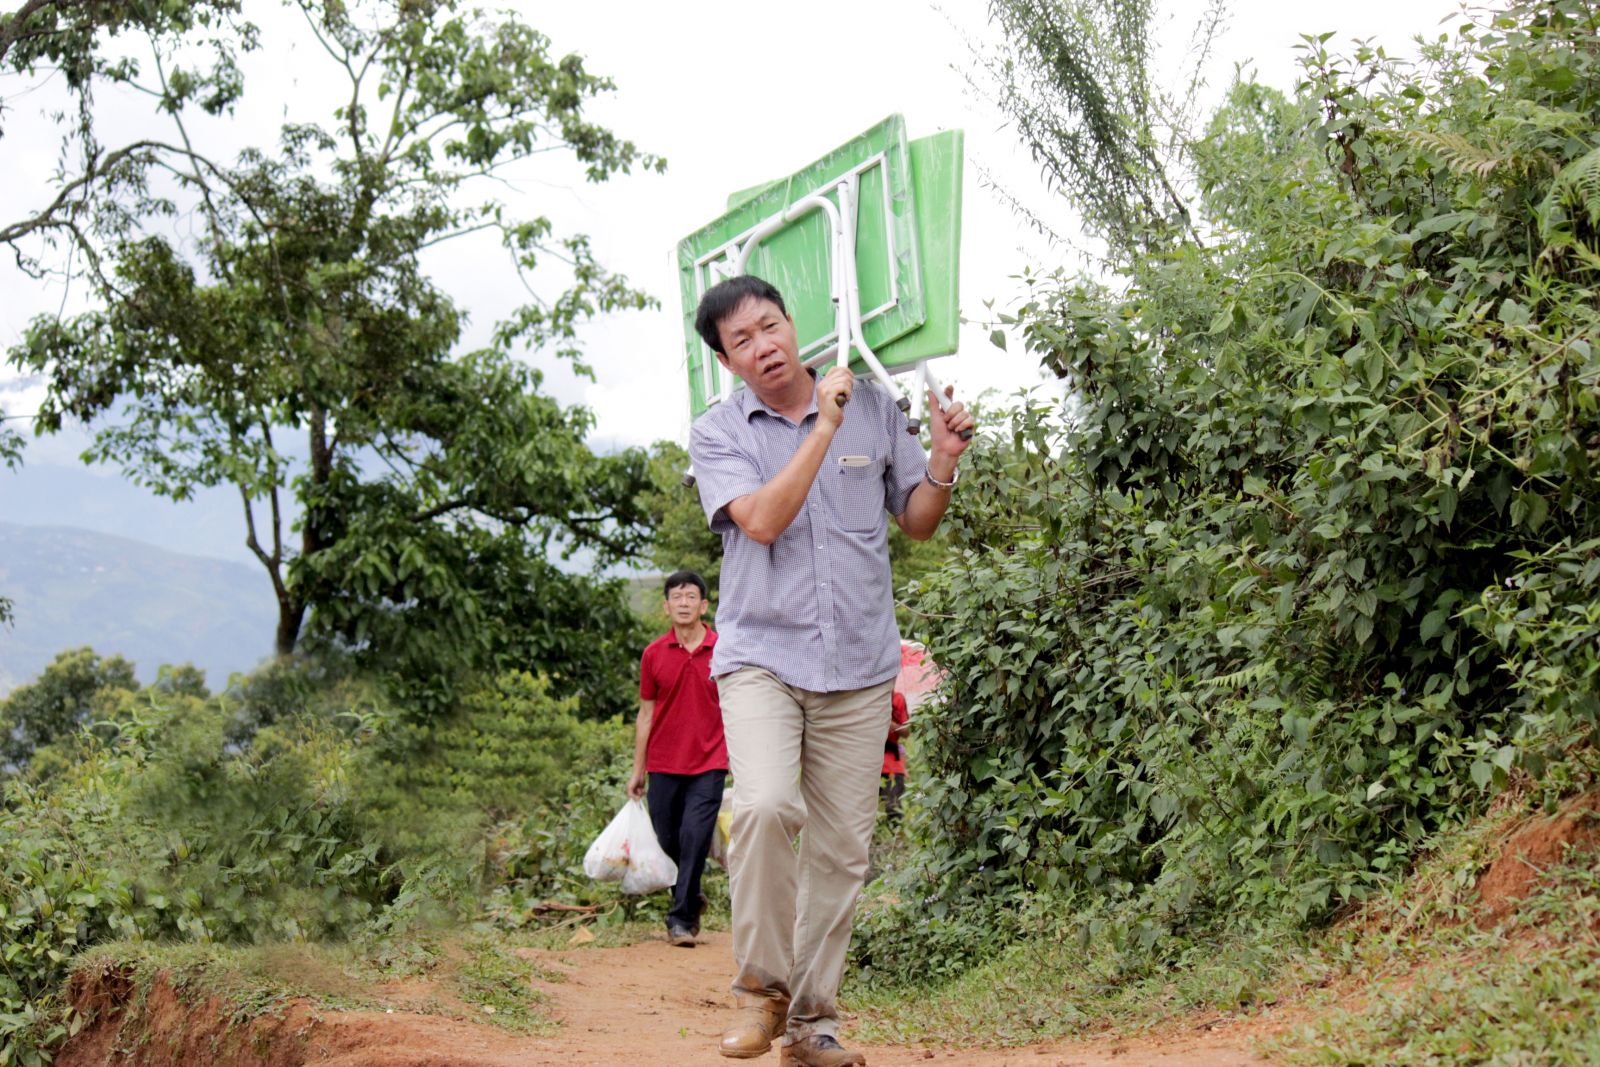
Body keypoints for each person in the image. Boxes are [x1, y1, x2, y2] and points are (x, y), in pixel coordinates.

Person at [688, 275, 975, 1067]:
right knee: (766, 806)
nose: (764, 346)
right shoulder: (718, 432)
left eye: (769, 326)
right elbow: (763, 520)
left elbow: (917, 520)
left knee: (842, 849)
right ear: (726, 361)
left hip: (858, 663)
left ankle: (813, 1023)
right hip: (763, 660)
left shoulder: (874, 404)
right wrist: (822, 425)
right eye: (742, 341)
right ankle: (760, 993)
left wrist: (943, 459)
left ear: (793, 322)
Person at [629, 570, 728, 948]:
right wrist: (638, 770)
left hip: (711, 760)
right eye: (677, 597)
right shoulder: (653, 654)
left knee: (694, 836)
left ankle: (681, 919)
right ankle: (691, 894)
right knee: (667, 837)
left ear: (704, 606)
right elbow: (646, 714)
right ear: (666, 606)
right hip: (664, 762)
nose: (683, 603)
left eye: (691, 597)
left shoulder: (724, 650)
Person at [880, 689, 910, 822]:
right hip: (870, 761)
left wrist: (891, 724)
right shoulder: (869, 698)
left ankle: (896, 832)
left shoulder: (898, 699)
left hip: (893, 763)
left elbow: (906, 732)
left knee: (893, 807)